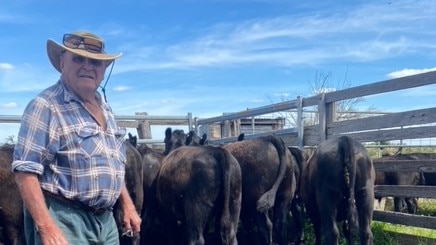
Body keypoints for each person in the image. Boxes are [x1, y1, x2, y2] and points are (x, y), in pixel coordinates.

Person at [12, 31, 141, 244]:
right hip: (65, 219)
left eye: (95, 62)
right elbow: (25, 171)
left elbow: (112, 165)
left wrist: (127, 204)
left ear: (103, 70)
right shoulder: (46, 106)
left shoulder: (105, 108)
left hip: (106, 221)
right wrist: (47, 228)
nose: (87, 66)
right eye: (78, 59)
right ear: (62, 63)